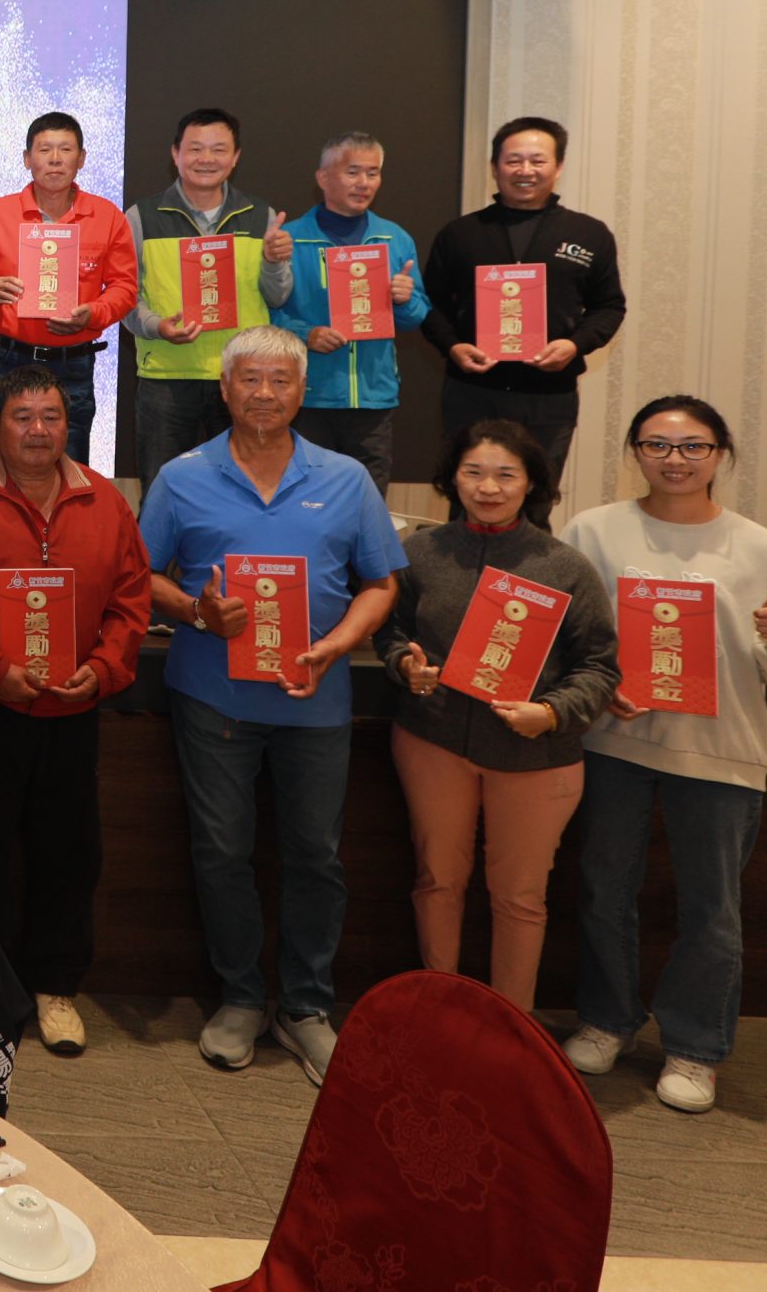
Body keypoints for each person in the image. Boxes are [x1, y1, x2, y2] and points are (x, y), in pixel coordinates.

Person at [137, 325, 403, 1086]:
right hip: (212, 695)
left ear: (302, 390)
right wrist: (196, 611)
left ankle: (307, 1006)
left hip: (315, 699)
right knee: (222, 852)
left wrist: (337, 644)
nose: (264, 394)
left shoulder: (347, 478)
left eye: (279, 381)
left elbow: (381, 584)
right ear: (224, 390)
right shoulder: (182, 476)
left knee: (316, 855)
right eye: (249, 380)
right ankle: (242, 998)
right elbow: (141, 575)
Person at [558, 395, 767, 1115]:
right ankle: (606, 1020)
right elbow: (566, 637)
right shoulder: (593, 530)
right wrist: (597, 686)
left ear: (720, 455)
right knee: (604, 890)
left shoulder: (761, 547)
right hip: (614, 741)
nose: (674, 459)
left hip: (720, 751)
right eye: (657, 444)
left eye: (693, 446)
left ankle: (696, 1048)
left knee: (712, 908)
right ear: (635, 453)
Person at [0, 363, 150, 1057]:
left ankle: (55, 988)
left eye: (51, 417)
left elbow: (131, 600)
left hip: (71, 707)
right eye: (23, 418)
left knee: (69, 854)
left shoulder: (104, 502)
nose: (39, 430)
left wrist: (103, 670)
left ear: (69, 426)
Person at [380, 421, 617, 1012]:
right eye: (474, 473)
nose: (489, 487)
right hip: (433, 740)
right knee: (437, 880)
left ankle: (512, 1026)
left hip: (534, 754)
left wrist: (552, 712)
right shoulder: (420, 553)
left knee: (519, 897)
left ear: (531, 482)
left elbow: (599, 666)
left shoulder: (565, 565)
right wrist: (404, 666)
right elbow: (391, 631)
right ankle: (438, 1009)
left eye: (506, 475)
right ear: (452, 478)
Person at [421, 116, 626, 492]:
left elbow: (609, 306)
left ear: (558, 167)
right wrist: (452, 346)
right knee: (468, 496)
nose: (525, 170)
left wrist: (574, 345)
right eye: (513, 160)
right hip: (472, 391)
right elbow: (428, 303)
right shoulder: (460, 234)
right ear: (494, 167)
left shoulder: (588, 234)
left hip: (549, 395)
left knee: (537, 496)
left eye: (537, 160)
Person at [123, 107, 294, 495]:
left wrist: (273, 261)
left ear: (235, 158)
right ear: (175, 154)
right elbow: (124, 298)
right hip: (166, 378)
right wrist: (157, 327)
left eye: (218, 150)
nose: (206, 159)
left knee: (245, 493)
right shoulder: (142, 217)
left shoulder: (260, 215)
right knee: (162, 495)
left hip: (241, 379)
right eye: (195, 148)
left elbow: (278, 296)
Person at [0, 111, 137, 465]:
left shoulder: (107, 216)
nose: (55, 159)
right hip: (10, 359)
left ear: (82, 158)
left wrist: (94, 313)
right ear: (27, 159)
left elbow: (124, 287)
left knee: (69, 469)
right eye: (45, 150)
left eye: (66, 149)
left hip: (74, 362)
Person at [269, 130, 430, 494]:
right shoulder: (289, 240)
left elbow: (416, 317)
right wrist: (306, 335)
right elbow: (266, 314)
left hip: (373, 398)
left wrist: (405, 299)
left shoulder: (395, 239)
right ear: (323, 178)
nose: (364, 183)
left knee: (367, 502)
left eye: (373, 173)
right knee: (305, 497)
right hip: (309, 395)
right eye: (353, 172)